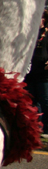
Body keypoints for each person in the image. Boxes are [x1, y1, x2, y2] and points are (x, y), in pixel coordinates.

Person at [25, 8, 48, 141]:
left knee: (45, 101)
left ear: (44, 20)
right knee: (31, 102)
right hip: (31, 73)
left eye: (40, 18)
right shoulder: (31, 35)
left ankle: (46, 128)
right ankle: (34, 128)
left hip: (44, 74)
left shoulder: (46, 34)